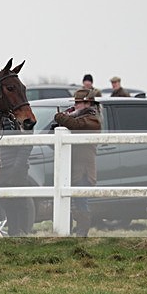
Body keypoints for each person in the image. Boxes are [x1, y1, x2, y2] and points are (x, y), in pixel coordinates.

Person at [52, 88, 102, 237]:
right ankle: (73, 230)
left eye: (79, 103)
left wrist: (61, 117)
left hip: (84, 169)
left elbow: (77, 125)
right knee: (73, 201)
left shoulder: (93, 120)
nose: (76, 105)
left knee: (81, 201)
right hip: (72, 167)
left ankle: (82, 232)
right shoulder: (77, 117)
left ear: (88, 104)